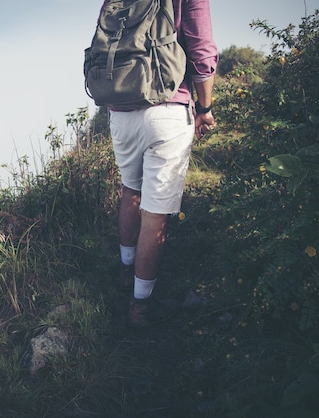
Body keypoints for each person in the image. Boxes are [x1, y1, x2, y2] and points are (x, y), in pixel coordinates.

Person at [107, 0, 218, 328]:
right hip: (167, 108)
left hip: (120, 109)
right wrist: (205, 107)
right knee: (155, 213)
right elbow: (201, 49)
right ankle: (141, 307)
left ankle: (125, 272)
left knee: (131, 190)